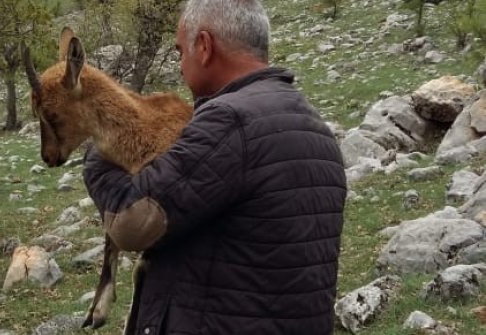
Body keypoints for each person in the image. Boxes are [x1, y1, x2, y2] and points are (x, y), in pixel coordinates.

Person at [83, 0, 347, 334]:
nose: (180, 65)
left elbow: (133, 223)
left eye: (180, 51)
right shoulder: (316, 128)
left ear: (205, 47)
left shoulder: (229, 122)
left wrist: (99, 158)